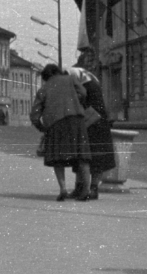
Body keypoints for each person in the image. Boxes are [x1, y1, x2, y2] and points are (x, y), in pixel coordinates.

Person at [29, 63, 89, 201]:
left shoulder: (44, 89)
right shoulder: (71, 79)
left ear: (45, 77)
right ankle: (85, 190)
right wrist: (76, 103)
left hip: (55, 124)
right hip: (76, 120)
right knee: (82, 155)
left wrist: (42, 128)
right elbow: (84, 93)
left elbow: (34, 115)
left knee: (57, 159)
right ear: (58, 71)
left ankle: (63, 189)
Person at [72, 51, 116, 193]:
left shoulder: (77, 76)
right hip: (100, 120)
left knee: (81, 156)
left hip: (88, 121)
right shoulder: (92, 77)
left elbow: (79, 98)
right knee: (97, 158)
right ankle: (93, 188)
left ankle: (81, 187)